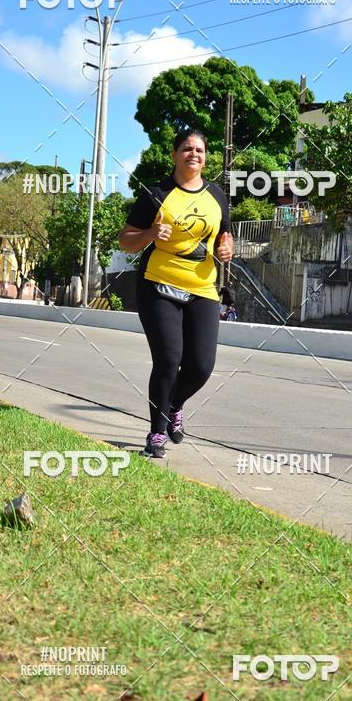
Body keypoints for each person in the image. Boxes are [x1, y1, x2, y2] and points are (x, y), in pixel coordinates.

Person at [119, 129, 234, 458]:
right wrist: (152, 232)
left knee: (201, 366)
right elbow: (125, 239)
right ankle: (156, 432)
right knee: (169, 359)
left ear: (205, 157)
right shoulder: (156, 194)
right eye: (186, 148)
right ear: (174, 154)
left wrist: (227, 249)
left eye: (199, 149)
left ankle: (174, 405)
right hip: (158, 283)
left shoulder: (217, 195)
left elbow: (225, 235)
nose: (193, 154)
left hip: (203, 285)